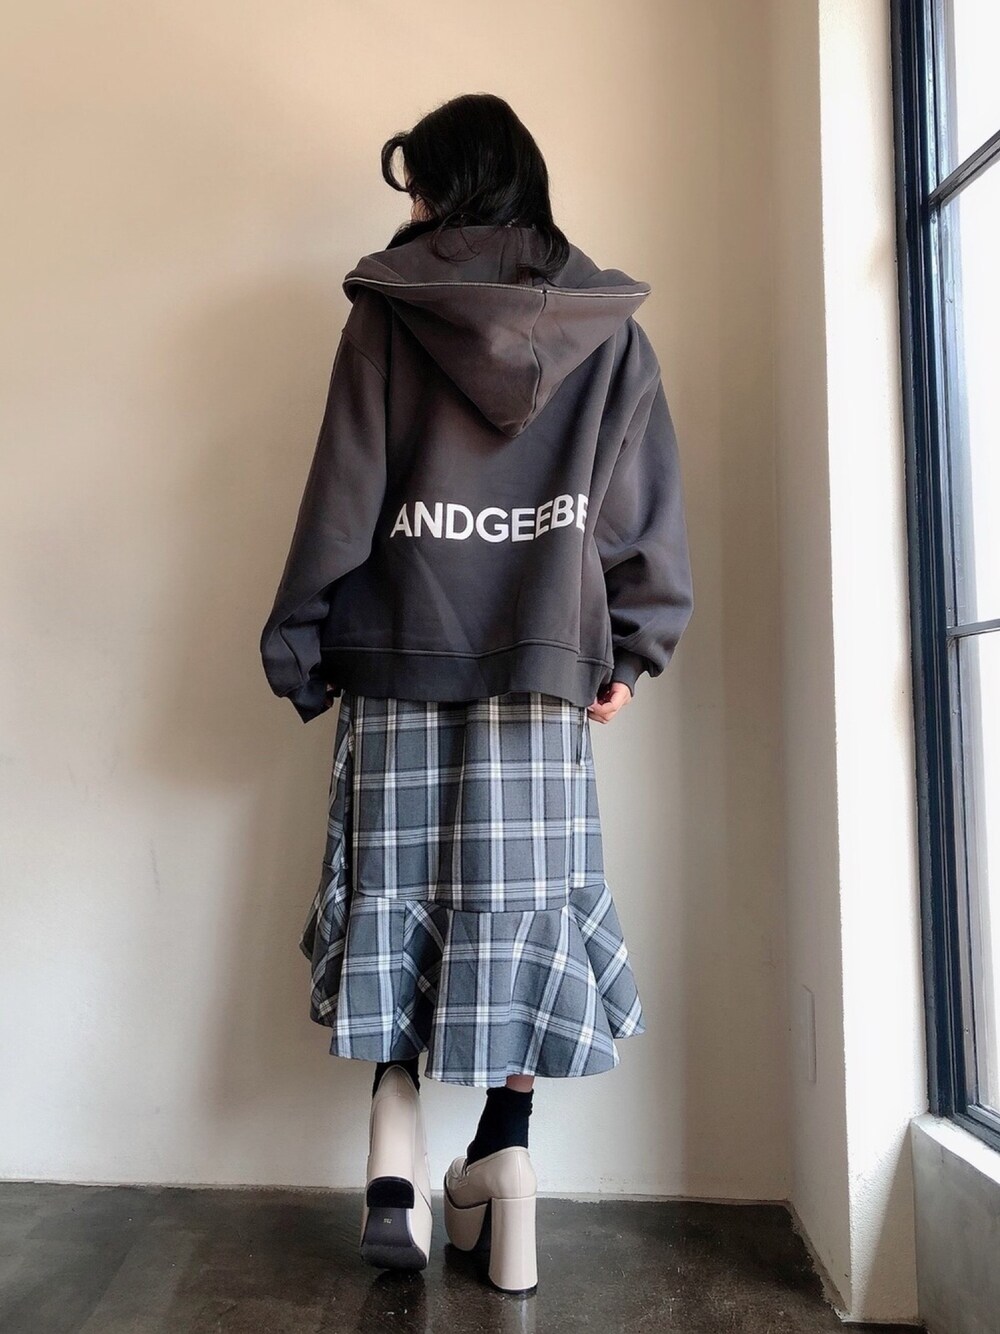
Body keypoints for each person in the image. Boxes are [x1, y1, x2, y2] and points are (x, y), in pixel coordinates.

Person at [259, 92, 694, 1295]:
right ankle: (505, 1157)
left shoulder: (389, 314)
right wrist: (633, 648)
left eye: (418, 187)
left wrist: (301, 641)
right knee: (524, 908)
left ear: (447, 188)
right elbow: (641, 506)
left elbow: (344, 489)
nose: (409, 211)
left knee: (396, 892)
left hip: (398, 653)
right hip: (542, 671)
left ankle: (392, 1148)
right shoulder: (609, 334)